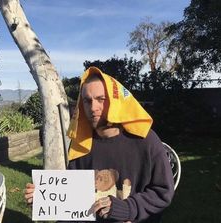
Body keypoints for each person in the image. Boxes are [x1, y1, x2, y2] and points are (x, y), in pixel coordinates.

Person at [25, 66, 174, 223]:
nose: (93, 108)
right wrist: (44, 198)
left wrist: (128, 209)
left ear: (116, 101)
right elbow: (72, 199)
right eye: (87, 101)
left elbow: (163, 192)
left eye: (100, 99)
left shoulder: (146, 140)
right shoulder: (82, 145)